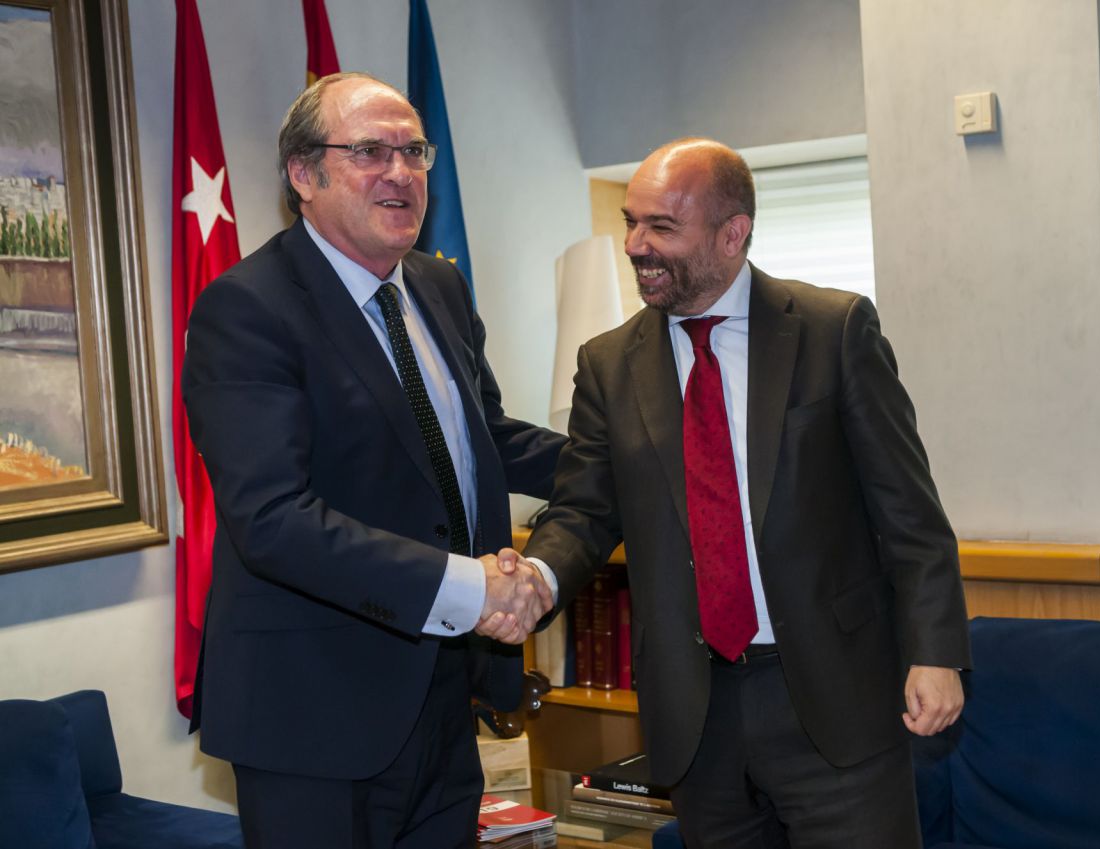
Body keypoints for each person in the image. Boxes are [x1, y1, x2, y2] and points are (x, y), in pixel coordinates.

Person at [521, 137, 971, 848]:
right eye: (632, 221)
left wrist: (936, 650)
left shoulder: (833, 330)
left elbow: (908, 511)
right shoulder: (607, 365)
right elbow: (583, 509)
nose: (636, 244)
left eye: (661, 226)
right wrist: (538, 578)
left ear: (733, 233)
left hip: (832, 696)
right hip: (696, 713)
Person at [181, 72, 565, 849]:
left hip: (444, 692)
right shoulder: (246, 308)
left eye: (414, 150)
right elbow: (272, 519)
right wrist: (470, 585)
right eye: (369, 150)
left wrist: (637, 459)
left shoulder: (436, 283)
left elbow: (482, 439)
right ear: (302, 174)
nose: (402, 172)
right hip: (312, 716)